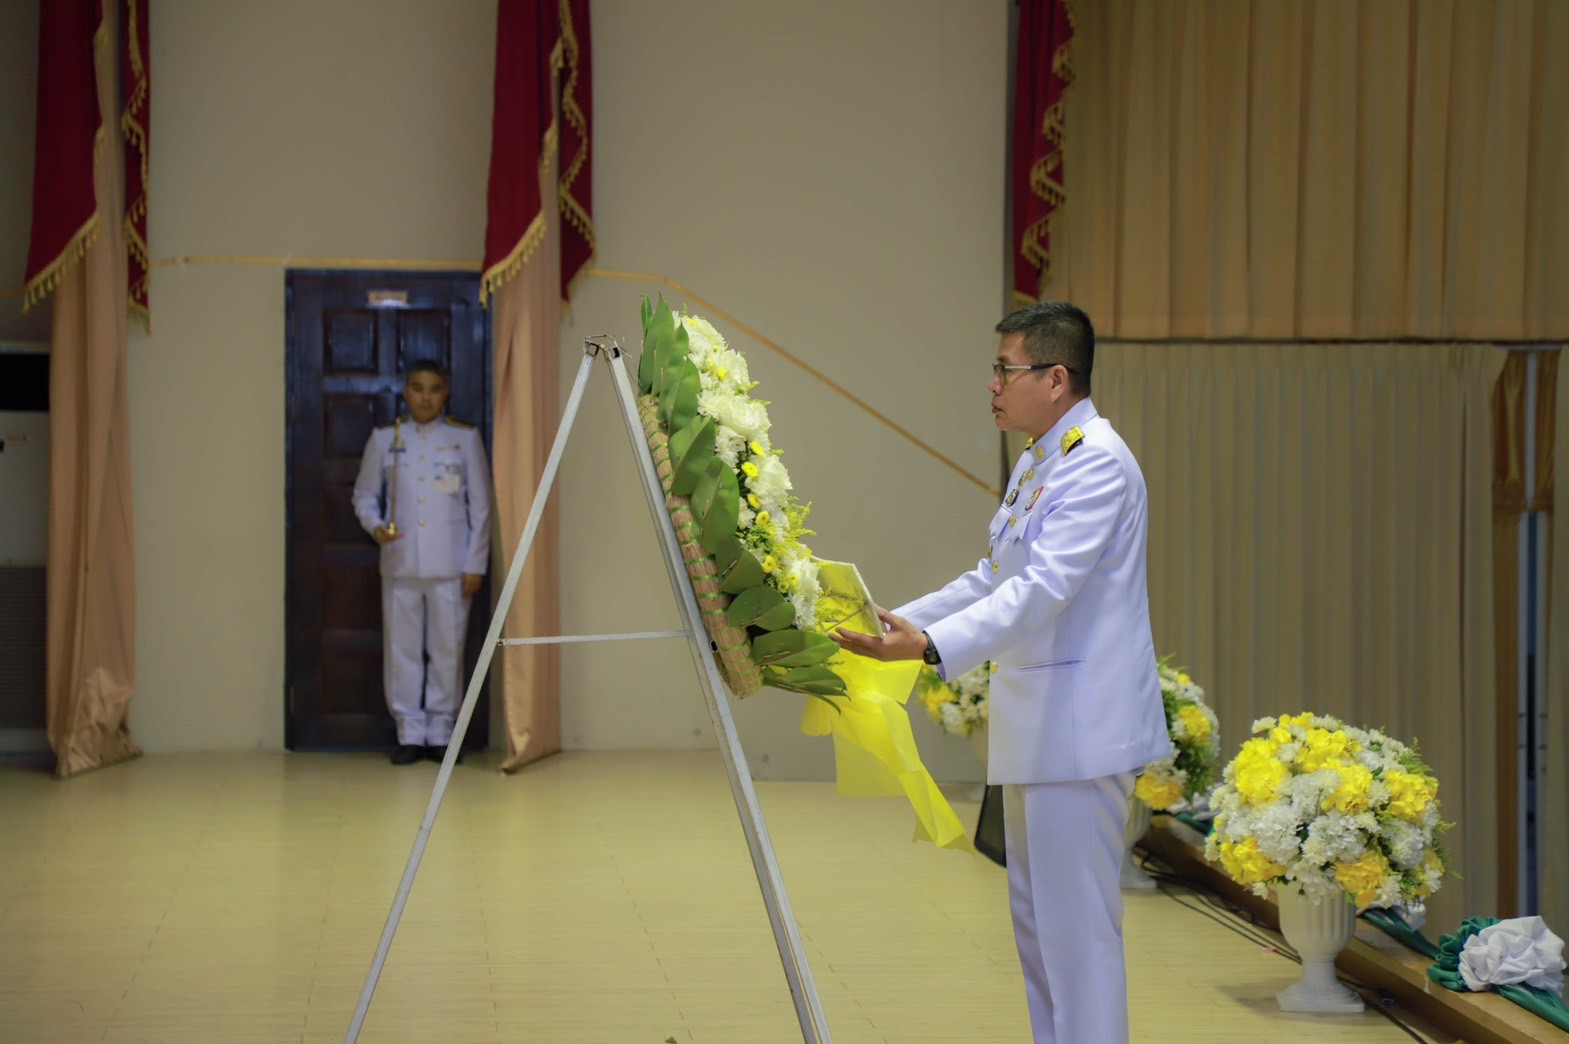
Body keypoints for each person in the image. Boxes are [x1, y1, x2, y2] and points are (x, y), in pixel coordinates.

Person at [829, 301, 1171, 1043]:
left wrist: (926, 650)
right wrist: (900, 619)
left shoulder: (1097, 464)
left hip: (1079, 735)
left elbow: (1041, 590)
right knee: (1039, 933)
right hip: (1042, 729)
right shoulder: (1041, 459)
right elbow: (992, 575)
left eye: (1003, 369)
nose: (990, 385)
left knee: (1077, 939)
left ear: (1054, 378)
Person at [352, 361, 492, 765]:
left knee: (448, 648)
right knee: (403, 650)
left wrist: (475, 565)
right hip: (400, 563)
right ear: (405, 393)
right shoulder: (385, 439)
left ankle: (441, 732)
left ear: (445, 393)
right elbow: (363, 495)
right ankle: (410, 731)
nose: (426, 396)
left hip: (451, 565)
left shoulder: (463, 439)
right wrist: (376, 527)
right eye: (417, 388)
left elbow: (480, 507)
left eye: (434, 389)